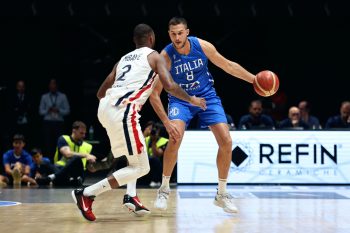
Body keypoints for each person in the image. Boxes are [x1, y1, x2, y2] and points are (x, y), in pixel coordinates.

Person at [71, 23, 206, 221]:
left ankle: (131, 196)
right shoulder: (154, 56)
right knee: (142, 167)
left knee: (135, 156)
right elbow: (169, 86)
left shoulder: (123, 59)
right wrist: (192, 99)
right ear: (151, 38)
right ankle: (86, 193)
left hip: (106, 108)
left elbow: (101, 92)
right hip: (124, 111)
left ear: (135, 41)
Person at [149, 17, 256, 213]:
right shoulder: (165, 56)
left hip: (207, 97)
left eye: (180, 33)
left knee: (226, 141)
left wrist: (254, 79)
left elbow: (228, 65)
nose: (177, 37)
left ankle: (221, 194)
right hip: (181, 100)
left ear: (187, 32)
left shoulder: (202, 46)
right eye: (173, 34)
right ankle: (164, 189)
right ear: (169, 34)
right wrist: (166, 121)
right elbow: (155, 92)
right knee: (175, 138)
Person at [52, 121, 96, 186]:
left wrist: (92, 164)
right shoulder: (64, 138)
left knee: (77, 159)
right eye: (81, 133)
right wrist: (85, 155)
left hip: (78, 173)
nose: (84, 136)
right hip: (62, 169)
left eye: (84, 133)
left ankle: (53, 177)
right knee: (45, 162)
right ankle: (57, 177)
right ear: (74, 131)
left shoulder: (88, 146)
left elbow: (89, 167)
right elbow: (67, 154)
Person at [39, 78, 70, 160]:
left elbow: (67, 110)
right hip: (47, 122)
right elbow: (40, 111)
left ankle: (59, 160)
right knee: (47, 143)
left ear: (57, 86)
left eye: (54, 84)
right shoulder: (44, 97)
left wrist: (59, 110)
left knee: (59, 143)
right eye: (51, 84)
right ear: (49, 86)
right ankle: (48, 161)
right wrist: (47, 110)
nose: (52, 86)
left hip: (58, 122)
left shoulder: (63, 96)